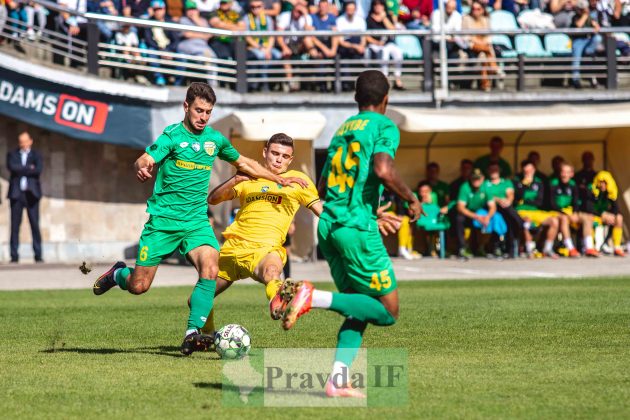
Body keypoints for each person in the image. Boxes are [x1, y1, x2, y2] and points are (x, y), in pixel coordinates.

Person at [92, 83, 308, 356]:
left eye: (208, 111)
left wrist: (278, 179)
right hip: (163, 222)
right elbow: (144, 158)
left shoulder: (214, 140)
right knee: (139, 286)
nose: (203, 116)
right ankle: (118, 274)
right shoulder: (172, 137)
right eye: (199, 110)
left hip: (196, 222)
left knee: (211, 265)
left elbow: (246, 163)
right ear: (186, 107)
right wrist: (143, 167)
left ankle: (193, 332)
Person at [279, 70, 421, 398]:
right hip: (355, 228)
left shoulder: (342, 130)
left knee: (359, 306)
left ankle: (337, 380)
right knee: (387, 311)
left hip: (330, 225)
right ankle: (313, 297)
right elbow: (383, 170)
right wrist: (410, 198)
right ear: (386, 99)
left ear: (356, 98)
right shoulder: (384, 126)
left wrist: (373, 210)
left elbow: (328, 184)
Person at [198, 133, 323, 334]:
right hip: (232, 249)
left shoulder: (299, 181)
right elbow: (213, 199)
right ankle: (207, 336)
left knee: (271, 273)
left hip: (266, 249)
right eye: (274, 153)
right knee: (198, 299)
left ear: (290, 159)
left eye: (284, 156)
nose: (278, 159)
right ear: (265, 152)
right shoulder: (250, 177)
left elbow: (322, 213)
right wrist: (236, 178)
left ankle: (279, 299)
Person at [7, 131, 43, 263]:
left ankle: (38, 255)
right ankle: (14, 255)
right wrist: (29, 168)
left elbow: (38, 169)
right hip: (16, 195)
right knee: (15, 226)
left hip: (32, 194)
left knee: (35, 225)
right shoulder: (12, 154)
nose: (23, 144)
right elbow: (12, 167)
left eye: (25, 141)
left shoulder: (36, 155)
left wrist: (22, 169)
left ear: (30, 141)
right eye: (20, 141)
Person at [514, 159, 560, 259]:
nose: (528, 173)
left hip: (535, 211)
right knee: (526, 223)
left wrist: (525, 200)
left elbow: (539, 201)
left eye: (530, 171)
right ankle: (529, 250)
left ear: (534, 170)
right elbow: (516, 198)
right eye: (526, 171)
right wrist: (524, 185)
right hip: (521, 210)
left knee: (554, 221)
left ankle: (547, 249)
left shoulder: (539, 182)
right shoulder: (517, 181)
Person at [549, 162, 597, 257]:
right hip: (557, 212)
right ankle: (571, 248)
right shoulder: (554, 183)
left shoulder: (573, 184)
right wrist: (564, 213)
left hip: (570, 211)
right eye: (563, 172)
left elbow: (575, 201)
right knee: (564, 219)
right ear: (560, 173)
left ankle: (589, 247)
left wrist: (574, 212)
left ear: (572, 174)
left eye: (567, 172)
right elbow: (551, 203)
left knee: (588, 217)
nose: (565, 175)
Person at [462, 0, 503, 91]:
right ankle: (494, 68)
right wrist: (479, 42)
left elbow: (489, 36)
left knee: (484, 57)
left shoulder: (486, 20)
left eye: (478, 9)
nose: (475, 11)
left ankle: (485, 84)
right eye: (473, 9)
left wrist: (482, 42)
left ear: (482, 10)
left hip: (484, 46)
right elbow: (467, 37)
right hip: (472, 46)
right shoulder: (466, 19)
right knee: (487, 50)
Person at [276, 0, 318, 91]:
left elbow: (309, 32)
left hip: (300, 45)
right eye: (297, 11)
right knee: (286, 55)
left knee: (308, 40)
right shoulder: (285, 16)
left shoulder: (306, 17)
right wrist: (284, 47)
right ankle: (290, 83)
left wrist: (305, 15)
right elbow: (279, 36)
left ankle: (316, 63)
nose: (298, 14)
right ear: (293, 10)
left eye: (300, 12)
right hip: (286, 44)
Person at [456, 168, 497, 259]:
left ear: (482, 178)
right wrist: (476, 217)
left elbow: (493, 206)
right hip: (469, 213)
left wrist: (488, 217)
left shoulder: (487, 186)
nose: (476, 181)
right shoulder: (465, 187)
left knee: (496, 218)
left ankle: (489, 247)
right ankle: (462, 248)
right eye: (474, 178)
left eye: (478, 178)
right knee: (459, 219)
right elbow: (460, 207)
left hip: (482, 213)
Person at [485, 161, 523, 257]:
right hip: (491, 207)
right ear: (488, 171)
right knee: (503, 217)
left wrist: (508, 201)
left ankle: (510, 248)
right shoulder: (486, 183)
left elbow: (510, 194)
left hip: (505, 207)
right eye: (492, 170)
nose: (494, 172)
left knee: (509, 219)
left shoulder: (506, 182)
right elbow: (486, 195)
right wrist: (499, 199)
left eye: (496, 170)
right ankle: (521, 223)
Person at [583, 170, 625, 256]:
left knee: (619, 218)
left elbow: (616, 209)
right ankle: (591, 247)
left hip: (604, 217)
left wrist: (612, 216)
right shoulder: (592, 190)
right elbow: (588, 208)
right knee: (590, 219)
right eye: (600, 182)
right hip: (593, 216)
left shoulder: (610, 192)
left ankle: (617, 247)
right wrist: (602, 214)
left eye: (604, 183)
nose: (602, 185)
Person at [243, 0, 283, 91]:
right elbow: (247, 37)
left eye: (258, 6)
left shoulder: (267, 19)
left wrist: (268, 49)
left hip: (266, 47)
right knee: (261, 56)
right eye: (253, 7)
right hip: (254, 47)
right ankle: (264, 83)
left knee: (278, 55)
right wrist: (261, 48)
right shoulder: (246, 18)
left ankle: (276, 83)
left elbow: (271, 36)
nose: (255, 9)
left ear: (263, 7)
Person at [366, 0, 405, 90]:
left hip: (388, 43)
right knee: (384, 53)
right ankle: (385, 78)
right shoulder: (369, 18)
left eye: (380, 4)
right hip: (374, 44)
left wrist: (384, 18)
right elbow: (366, 36)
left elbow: (392, 30)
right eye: (375, 4)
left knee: (398, 53)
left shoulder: (387, 16)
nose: (378, 6)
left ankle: (397, 78)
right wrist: (377, 43)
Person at [144, 0, 183, 86]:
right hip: (157, 49)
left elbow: (176, 40)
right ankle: (159, 77)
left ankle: (178, 82)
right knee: (151, 52)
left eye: (160, 9)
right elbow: (149, 40)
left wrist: (168, 50)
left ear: (164, 10)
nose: (158, 12)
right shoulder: (148, 22)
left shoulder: (169, 22)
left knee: (181, 57)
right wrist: (161, 50)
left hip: (169, 49)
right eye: (155, 10)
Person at [570, 0, 602, 89]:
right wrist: (585, 15)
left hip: (588, 41)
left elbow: (597, 28)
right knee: (576, 58)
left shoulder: (590, 17)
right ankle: (575, 80)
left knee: (597, 38)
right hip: (578, 41)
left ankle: (589, 52)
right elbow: (579, 25)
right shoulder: (575, 17)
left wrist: (594, 25)